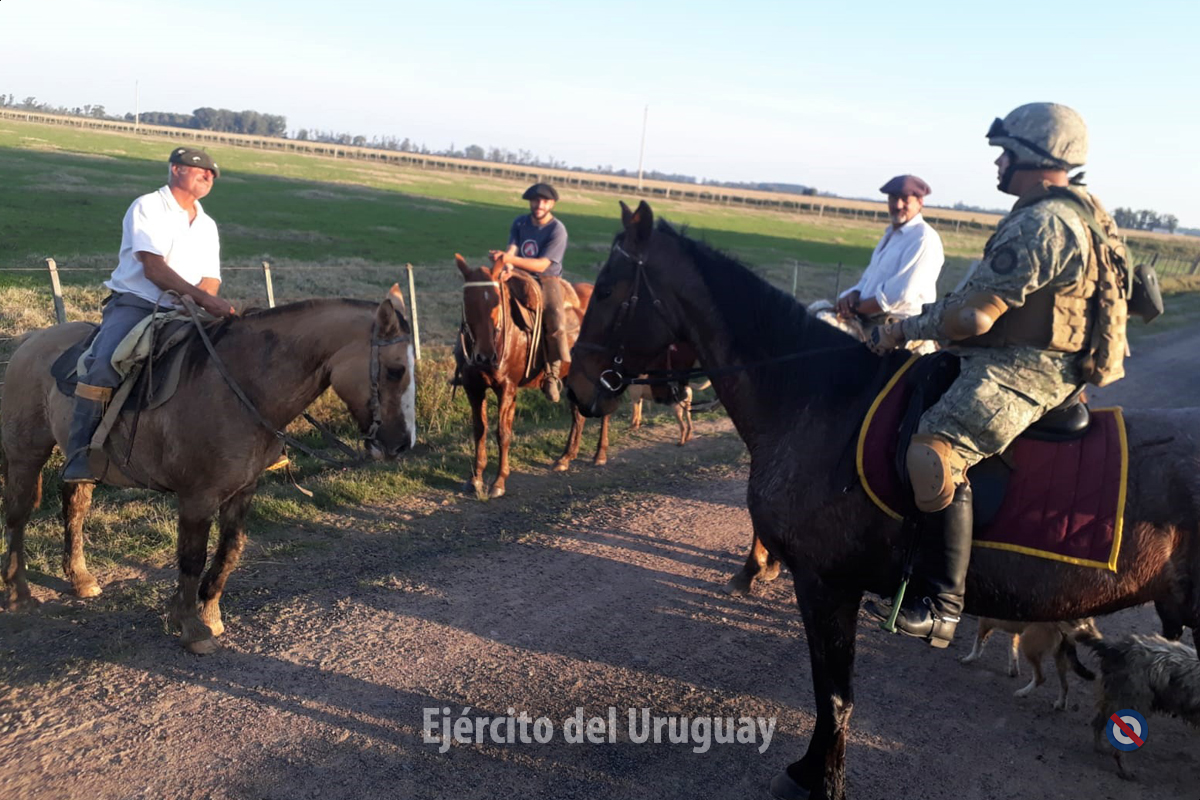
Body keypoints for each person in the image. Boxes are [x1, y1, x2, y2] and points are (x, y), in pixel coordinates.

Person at [864, 103, 1127, 647]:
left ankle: (942, 603)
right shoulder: (1078, 211)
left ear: (1035, 157)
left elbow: (969, 316)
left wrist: (900, 330)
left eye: (1006, 153)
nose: (999, 164)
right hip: (1028, 354)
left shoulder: (1043, 221)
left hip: (1029, 367)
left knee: (932, 452)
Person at [61, 146, 236, 483]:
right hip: (137, 303)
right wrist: (203, 299)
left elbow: (211, 276)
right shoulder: (148, 207)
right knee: (105, 363)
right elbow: (153, 268)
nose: (208, 176)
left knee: (231, 355)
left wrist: (201, 299)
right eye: (199, 169)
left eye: (213, 173)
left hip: (187, 309)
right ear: (175, 169)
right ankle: (78, 455)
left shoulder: (207, 224)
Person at [834, 175, 944, 340]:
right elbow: (868, 280)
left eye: (905, 199)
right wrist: (852, 294)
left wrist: (856, 308)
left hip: (900, 327)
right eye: (893, 198)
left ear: (920, 202)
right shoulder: (890, 235)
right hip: (869, 318)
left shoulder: (923, 238)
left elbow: (900, 294)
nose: (897, 205)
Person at [489, 182, 569, 402]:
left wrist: (510, 260)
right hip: (516, 273)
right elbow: (512, 249)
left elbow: (543, 264)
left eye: (544, 201)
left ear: (552, 204)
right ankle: (474, 358)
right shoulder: (520, 222)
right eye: (535, 200)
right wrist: (505, 265)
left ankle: (552, 373)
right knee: (486, 300)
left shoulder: (557, 229)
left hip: (546, 278)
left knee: (555, 318)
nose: (539, 205)